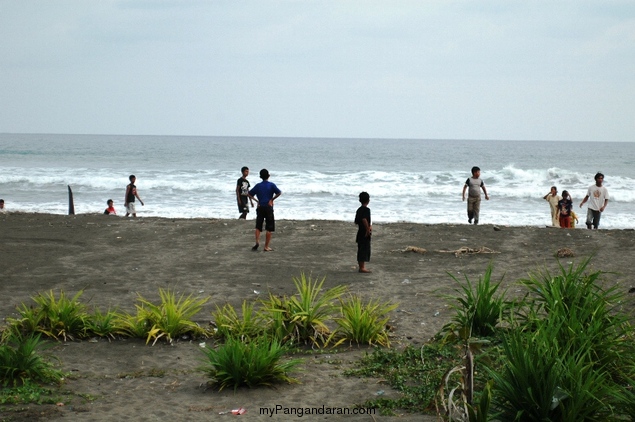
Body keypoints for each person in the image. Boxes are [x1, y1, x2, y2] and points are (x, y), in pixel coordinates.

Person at [248, 169, 281, 251]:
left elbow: (249, 194)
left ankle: (257, 241)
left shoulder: (258, 186)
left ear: (260, 177)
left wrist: (257, 201)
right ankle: (266, 246)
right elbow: (279, 192)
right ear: (268, 176)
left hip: (260, 207)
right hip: (268, 207)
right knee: (269, 227)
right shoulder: (271, 185)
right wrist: (272, 200)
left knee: (258, 225)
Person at [355, 192, 372, 273]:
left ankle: (361, 266)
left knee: (361, 248)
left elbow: (357, 221)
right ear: (368, 200)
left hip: (360, 231)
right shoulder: (366, 210)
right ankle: (362, 267)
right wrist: (368, 229)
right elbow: (364, 219)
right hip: (364, 232)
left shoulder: (359, 210)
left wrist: (369, 226)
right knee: (363, 249)